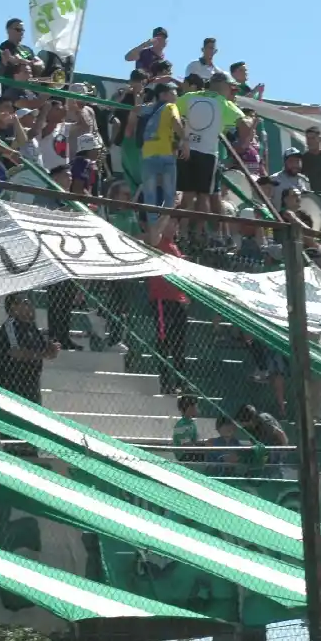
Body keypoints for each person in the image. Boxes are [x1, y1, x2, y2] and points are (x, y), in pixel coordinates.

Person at [175, 73, 245, 234]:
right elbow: (244, 123)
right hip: (207, 154)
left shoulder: (190, 97)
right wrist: (242, 141)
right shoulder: (223, 103)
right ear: (224, 86)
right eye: (231, 88)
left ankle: (182, 233)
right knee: (203, 196)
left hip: (187, 149)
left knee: (187, 195)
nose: (231, 92)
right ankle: (198, 235)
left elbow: (172, 112)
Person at [127, 81, 185, 244]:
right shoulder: (169, 107)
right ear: (164, 94)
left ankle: (151, 238)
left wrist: (137, 101)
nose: (176, 96)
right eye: (174, 92)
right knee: (171, 199)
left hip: (147, 154)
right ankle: (153, 238)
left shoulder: (146, 109)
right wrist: (185, 139)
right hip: (164, 155)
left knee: (151, 201)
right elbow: (176, 122)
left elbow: (131, 126)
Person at [0, 293, 59, 404]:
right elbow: (15, 353)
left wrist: (52, 349)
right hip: (10, 383)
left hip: (31, 385)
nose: (31, 306)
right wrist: (43, 354)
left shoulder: (32, 327)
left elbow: (44, 350)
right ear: (14, 307)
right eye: (26, 303)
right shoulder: (10, 326)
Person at [148, 227, 190, 394]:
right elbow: (153, 234)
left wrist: (185, 295)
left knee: (179, 345)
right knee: (164, 342)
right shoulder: (158, 243)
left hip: (177, 300)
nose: (173, 225)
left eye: (175, 222)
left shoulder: (174, 246)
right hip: (162, 299)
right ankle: (165, 382)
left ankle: (181, 382)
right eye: (170, 221)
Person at [172, 394, 202, 462]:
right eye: (195, 407)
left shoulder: (191, 423)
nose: (197, 409)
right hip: (184, 455)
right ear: (189, 408)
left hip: (190, 452)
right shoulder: (181, 425)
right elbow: (186, 445)